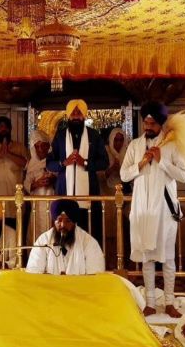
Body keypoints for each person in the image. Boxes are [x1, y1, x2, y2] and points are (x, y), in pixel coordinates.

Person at [120, 102, 185, 318]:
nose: (148, 126)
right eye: (145, 122)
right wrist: (141, 163)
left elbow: (183, 176)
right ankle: (150, 302)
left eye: (152, 123)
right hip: (142, 208)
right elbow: (124, 176)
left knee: (167, 257)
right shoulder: (135, 145)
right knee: (146, 256)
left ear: (160, 124)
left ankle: (169, 302)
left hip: (165, 210)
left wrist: (162, 162)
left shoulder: (172, 146)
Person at [46, 99, 109, 242]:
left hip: (88, 195)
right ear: (68, 116)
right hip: (64, 192)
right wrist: (64, 163)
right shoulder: (60, 136)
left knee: (89, 234)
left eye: (79, 112)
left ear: (84, 115)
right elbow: (49, 163)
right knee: (64, 233)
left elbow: (104, 162)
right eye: (73, 113)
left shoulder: (94, 135)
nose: (76, 115)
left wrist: (85, 163)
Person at [26, 199, 105, 275]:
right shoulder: (43, 241)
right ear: (54, 221)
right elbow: (34, 272)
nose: (63, 225)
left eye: (68, 221)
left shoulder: (88, 242)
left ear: (74, 222)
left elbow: (96, 275)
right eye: (59, 220)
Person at [23, 129, 56, 239]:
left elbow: (62, 180)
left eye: (43, 145)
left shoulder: (55, 162)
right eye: (37, 146)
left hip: (53, 201)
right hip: (37, 204)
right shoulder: (32, 164)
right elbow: (26, 185)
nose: (40, 149)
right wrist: (36, 184)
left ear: (48, 146)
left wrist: (53, 180)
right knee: (37, 230)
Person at [104, 128, 131, 194]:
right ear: (111, 139)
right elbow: (100, 175)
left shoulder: (127, 152)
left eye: (121, 140)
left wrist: (119, 169)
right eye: (115, 140)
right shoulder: (105, 151)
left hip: (124, 188)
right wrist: (113, 168)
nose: (118, 143)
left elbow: (130, 174)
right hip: (107, 189)